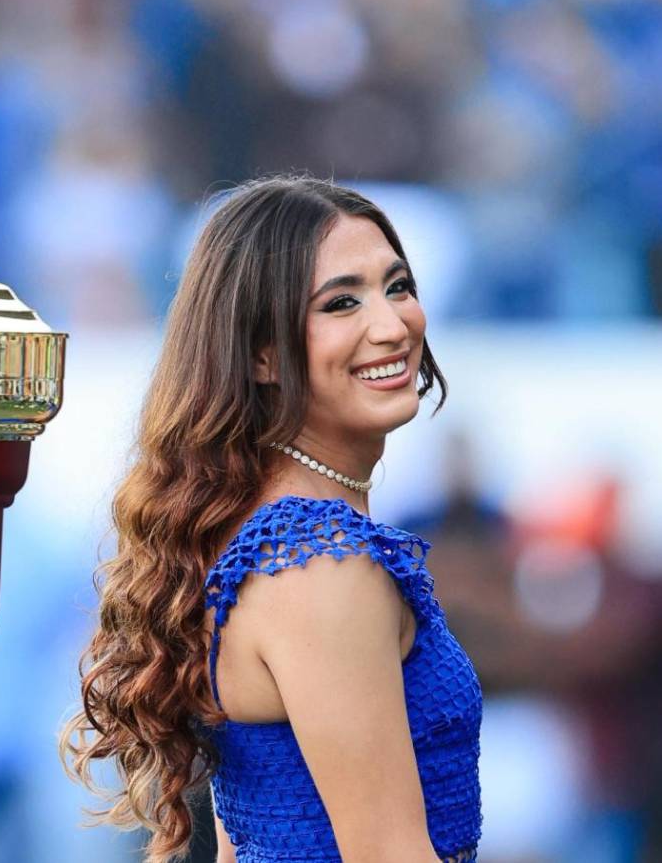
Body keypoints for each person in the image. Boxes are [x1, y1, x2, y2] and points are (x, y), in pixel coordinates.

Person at [60, 176, 483, 862]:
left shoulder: (258, 531)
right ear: (260, 353)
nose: (392, 324)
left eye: (398, 287)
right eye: (342, 302)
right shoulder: (318, 561)